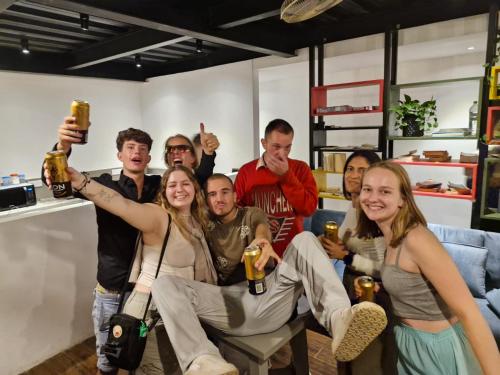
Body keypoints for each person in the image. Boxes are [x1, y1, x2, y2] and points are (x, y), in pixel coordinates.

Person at [149, 173, 388, 375]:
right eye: (212, 194)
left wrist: (262, 240)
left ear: (235, 195)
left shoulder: (250, 213)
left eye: (224, 192)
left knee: (305, 239)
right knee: (163, 284)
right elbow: (182, 194)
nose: (219, 199)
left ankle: (338, 319)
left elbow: (261, 229)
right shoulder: (202, 223)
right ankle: (203, 361)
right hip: (229, 306)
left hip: (271, 296)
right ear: (205, 199)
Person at [46, 162, 218, 374]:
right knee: (154, 369)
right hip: (152, 314)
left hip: (177, 311)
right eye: (172, 185)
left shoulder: (195, 220)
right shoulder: (159, 217)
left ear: (195, 188)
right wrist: (82, 182)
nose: (180, 189)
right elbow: (121, 205)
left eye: (185, 184)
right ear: (164, 192)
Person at [42, 118, 162, 375]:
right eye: (130, 147)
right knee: (107, 359)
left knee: (137, 351)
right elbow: (56, 182)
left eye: (142, 149)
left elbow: (194, 183)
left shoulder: (158, 187)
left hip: (143, 290)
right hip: (110, 290)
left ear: (149, 157)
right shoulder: (105, 184)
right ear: (119, 155)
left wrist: (207, 156)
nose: (136, 153)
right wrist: (63, 145)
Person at [357, 161, 500, 375]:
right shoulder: (388, 234)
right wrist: (382, 288)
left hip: (437, 349)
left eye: (385, 191)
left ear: (402, 199)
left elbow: (470, 313)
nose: (373, 198)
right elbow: (413, 285)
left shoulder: (417, 239)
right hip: (409, 343)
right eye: (367, 189)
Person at [234, 119, 318, 256]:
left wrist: (286, 176)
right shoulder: (246, 171)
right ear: (264, 143)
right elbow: (236, 213)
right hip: (257, 250)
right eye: (276, 146)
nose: (282, 153)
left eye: (287, 147)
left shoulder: (301, 169)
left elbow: (309, 209)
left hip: (294, 251)